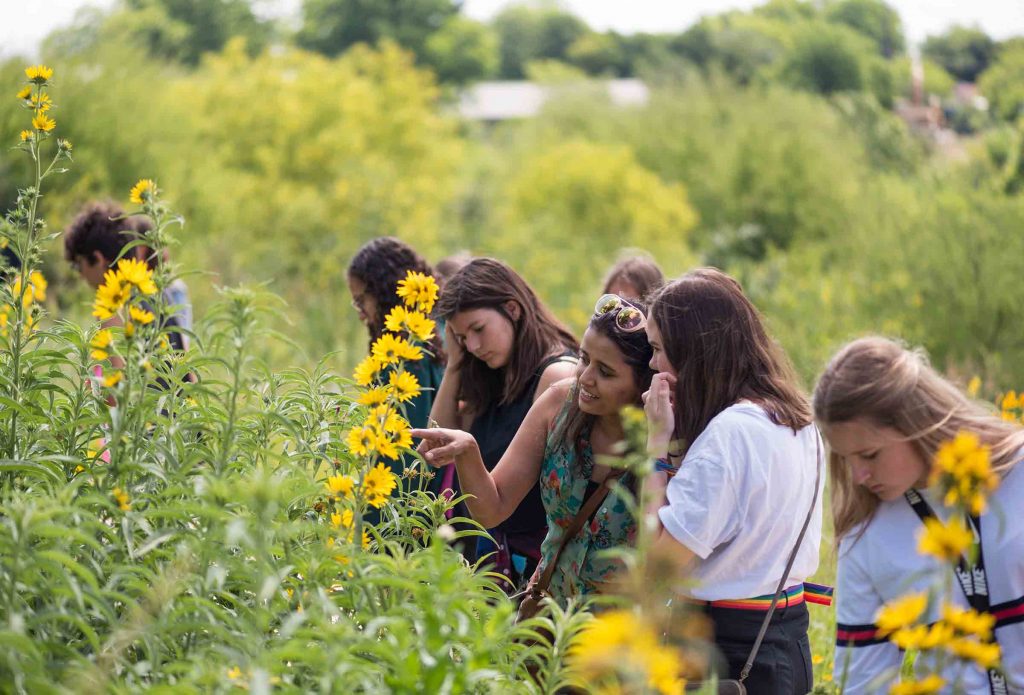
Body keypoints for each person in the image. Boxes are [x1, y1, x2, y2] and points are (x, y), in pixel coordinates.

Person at [642, 268, 823, 695]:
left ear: (693, 353)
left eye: (657, 349)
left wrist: (655, 446)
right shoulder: (795, 419)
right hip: (785, 638)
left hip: (729, 649)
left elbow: (659, 566)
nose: (651, 363)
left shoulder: (729, 435)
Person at [413, 293, 655, 603]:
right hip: (546, 616)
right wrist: (468, 451)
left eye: (605, 372)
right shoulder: (559, 404)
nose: (585, 377)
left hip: (620, 630)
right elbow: (492, 508)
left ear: (643, 382)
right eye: (584, 358)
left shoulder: (663, 435)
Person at [814, 337, 1024, 693]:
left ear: (915, 422)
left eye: (869, 454)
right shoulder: (865, 535)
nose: (857, 477)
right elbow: (863, 685)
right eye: (845, 459)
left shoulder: (1018, 475)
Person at [425, 257, 578, 586]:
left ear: (513, 309)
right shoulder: (492, 374)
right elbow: (436, 440)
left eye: (478, 329)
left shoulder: (556, 376)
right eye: (461, 336)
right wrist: (454, 364)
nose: (473, 346)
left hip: (535, 570)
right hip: (489, 559)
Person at [64, 200, 193, 355]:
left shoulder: (115, 304)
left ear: (98, 259)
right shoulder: (159, 290)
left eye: (79, 265)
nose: (81, 275)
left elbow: (116, 375)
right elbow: (187, 370)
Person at [347, 237, 446, 434]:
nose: (360, 314)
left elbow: (409, 439)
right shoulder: (436, 330)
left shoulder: (408, 356)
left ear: (384, 292)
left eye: (361, 301)